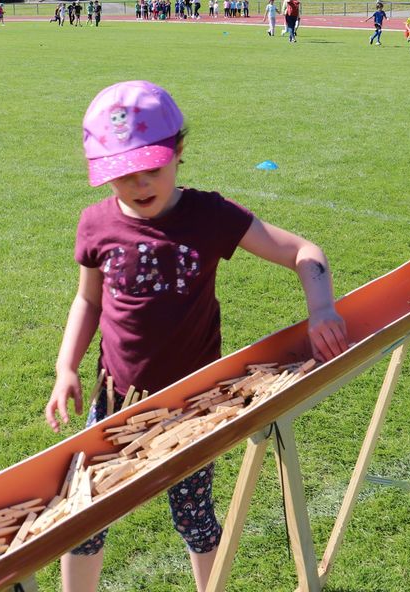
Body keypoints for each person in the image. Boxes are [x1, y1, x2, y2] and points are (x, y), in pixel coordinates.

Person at [45, 80, 349, 592]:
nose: (140, 186)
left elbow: (304, 252)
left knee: (194, 516)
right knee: (83, 518)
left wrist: (321, 308)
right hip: (114, 399)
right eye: (123, 176)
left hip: (194, 405)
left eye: (152, 170)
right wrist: (66, 367)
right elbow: (89, 301)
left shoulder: (209, 215)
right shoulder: (95, 224)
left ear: (179, 153)